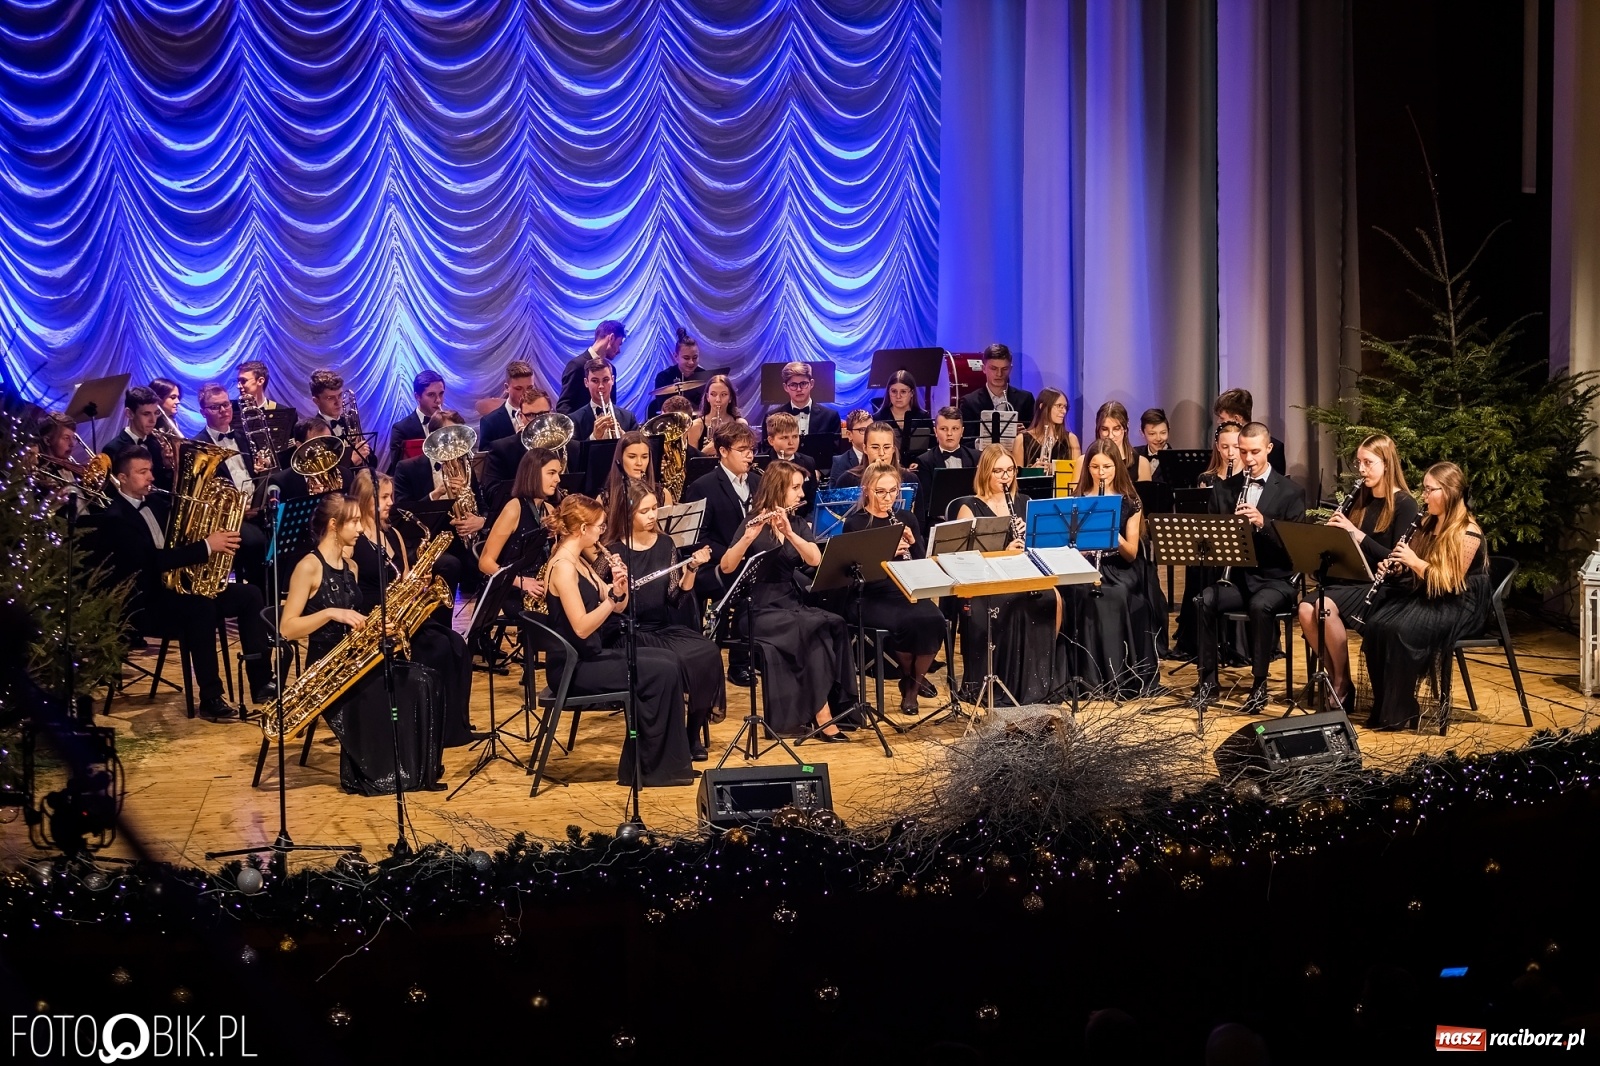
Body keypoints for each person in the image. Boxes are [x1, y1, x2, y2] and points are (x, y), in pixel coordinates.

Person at [82, 446, 275, 718]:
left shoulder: (158, 504)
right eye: (142, 472)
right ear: (122, 478)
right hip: (145, 603)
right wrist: (207, 546)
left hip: (177, 589)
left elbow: (180, 542)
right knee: (201, 608)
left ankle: (262, 682)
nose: (150, 477)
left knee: (251, 594)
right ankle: (211, 697)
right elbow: (151, 563)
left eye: (150, 470)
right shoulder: (116, 518)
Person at [277, 494, 446, 794]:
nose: (359, 528)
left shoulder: (350, 567)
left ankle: (416, 767)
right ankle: (388, 770)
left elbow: (355, 617)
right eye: (353, 521)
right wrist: (330, 612)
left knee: (425, 679)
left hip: (356, 658)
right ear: (333, 524)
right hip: (328, 669)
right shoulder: (308, 567)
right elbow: (287, 628)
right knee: (397, 690)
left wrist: (379, 626)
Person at [541, 494, 695, 786]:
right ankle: (649, 769)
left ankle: (663, 764)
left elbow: (618, 606)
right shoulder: (562, 566)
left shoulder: (582, 561)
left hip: (590, 656)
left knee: (670, 662)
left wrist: (619, 586)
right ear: (581, 529)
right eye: (599, 526)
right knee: (658, 672)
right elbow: (583, 628)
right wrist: (612, 599)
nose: (603, 532)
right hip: (574, 668)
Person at [716, 460, 860, 738]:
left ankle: (835, 707)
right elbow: (726, 567)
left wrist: (790, 533)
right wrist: (748, 539)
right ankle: (822, 716)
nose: (800, 494)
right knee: (809, 629)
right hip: (756, 608)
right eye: (794, 488)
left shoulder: (794, 522)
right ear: (777, 489)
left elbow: (815, 559)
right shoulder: (751, 522)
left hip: (788, 602)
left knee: (834, 622)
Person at [348, 469, 475, 746]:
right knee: (438, 649)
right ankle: (427, 727)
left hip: (403, 615)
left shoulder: (392, 534)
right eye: (384, 497)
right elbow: (350, 591)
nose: (391, 502)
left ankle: (452, 726)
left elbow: (404, 575)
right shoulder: (353, 542)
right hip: (375, 620)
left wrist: (420, 583)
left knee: (456, 644)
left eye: (391, 495)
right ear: (367, 500)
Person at [1358, 462, 1487, 730]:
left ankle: (1403, 709)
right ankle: (1386, 706)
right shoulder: (1428, 522)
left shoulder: (1468, 532)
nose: (1424, 496)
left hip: (1459, 603)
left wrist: (1414, 562)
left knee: (1401, 631)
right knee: (1376, 626)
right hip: (1430, 595)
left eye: (1430, 490)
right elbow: (1413, 564)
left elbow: (1450, 583)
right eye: (1424, 489)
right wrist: (1396, 565)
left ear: (1450, 492)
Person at [1295, 435, 1419, 710]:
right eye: (1359, 462)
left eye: (1368, 463)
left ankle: (1340, 683)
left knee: (1324, 606)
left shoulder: (1405, 504)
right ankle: (1339, 677)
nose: (1361, 470)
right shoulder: (1358, 501)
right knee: (1305, 609)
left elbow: (1395, 557)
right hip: (1352, 579)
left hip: (1386, 587)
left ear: (1387, 464)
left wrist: (1355, 533)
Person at [1190, 422, 1306, 715]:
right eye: (1243, 452)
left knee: (1259, 605)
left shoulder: (1291, 492)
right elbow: (1211, 540)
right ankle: (1208, 682)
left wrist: (1262, 523)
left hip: (1275, 580)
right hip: (1239, 578)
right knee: (1205, 600)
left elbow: (1296, 548)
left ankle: (1259, 685)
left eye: (1255, 452)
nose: (1249, 459)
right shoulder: (1224, 490)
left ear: (1268, 449)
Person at [605, 479, 725, 760]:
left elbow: (674, 597)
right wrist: (618, 586)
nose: (652, 516)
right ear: (627, 513)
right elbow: (601, 599)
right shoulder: (613, 551)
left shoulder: (665, 544)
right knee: (674, 662)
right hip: (628, 632)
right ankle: (663, 738)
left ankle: (692, 732)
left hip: (661, 627)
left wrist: (691, 569)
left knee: (706, 653)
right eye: (644, 511)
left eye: (654, 509)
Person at [952, 445, 1062, 703]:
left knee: (1053, 598)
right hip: (988, 581)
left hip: (1023, 573)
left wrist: (1029, 539)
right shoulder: (970, 507)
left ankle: (1037, 676)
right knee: (1012, 604)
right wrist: (1004, 551)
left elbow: (1042, 545)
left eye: (1010, 470)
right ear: (985, 473)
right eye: (998, 471)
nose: (1005, 476)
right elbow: (964, 560)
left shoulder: (1025, 503)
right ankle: (1004, 679)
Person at [842, 462, 948, 714]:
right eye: (881, 492)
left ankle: (911, 685)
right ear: (867, 490)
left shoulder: (906, 518)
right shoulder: (856, 523)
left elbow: (922, 566)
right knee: (907, 621)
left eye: (893, 491)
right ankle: (912, 681)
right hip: (871, 595)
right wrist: (887, 555)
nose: (888, 498)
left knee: (935, 618)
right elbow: (855, 575)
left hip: (906, 590)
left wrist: (914, 543)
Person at [1062, 440, 1160, 698]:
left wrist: (1111, 532)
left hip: (1117, 568)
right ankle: (1085, 677)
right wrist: (1078, 547)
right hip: (1085, 566)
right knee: (1076, 595)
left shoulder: (1130, 501)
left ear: (1117, 466)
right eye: (1094, 466)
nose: (1101, 472)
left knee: (1115, 595)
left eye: (1107, 466)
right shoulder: (1077, 500)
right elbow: (1066, 547)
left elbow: (1131, 553)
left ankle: (1116, 677)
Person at [682, 424, 762, 684]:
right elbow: (697, 539)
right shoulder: (703, 486)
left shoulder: (757, 481)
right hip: (713, 565)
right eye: (742, 450)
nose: (750, 456)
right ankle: (738, 663)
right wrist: (732, 553)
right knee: (745, 589)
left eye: (751, 449)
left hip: (749, 560)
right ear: (723, 452)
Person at [1171, 421, 1244, 659]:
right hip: (1212, 549)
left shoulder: (1249, 480)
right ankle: (1201, 641)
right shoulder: (1207, 478)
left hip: (1239, 550)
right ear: (1217, 447)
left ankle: (1236, 643)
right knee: (1198, 568)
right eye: (1225, 447)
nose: (1230, 453)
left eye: (1235, 446)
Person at [192, 382, 269, 588]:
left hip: (258, 508)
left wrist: (262, 471)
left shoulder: (245, 436)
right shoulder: (198, 446)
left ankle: (277, 598)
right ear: (203, 412)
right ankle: (259, 600)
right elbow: (202, 494)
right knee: (257, 543)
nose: (224, 410)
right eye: (215, 407)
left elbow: (256, 475)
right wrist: (237, 510)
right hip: (230, 519)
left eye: (226, 404)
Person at [481, 386, 555, 518]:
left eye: (543, 414)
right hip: (519, 518)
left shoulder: (568, 447)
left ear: (552, 413)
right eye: (531, 415)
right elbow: (492, 493)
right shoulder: (502, 449)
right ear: (521, 417)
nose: (537, 421)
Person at [958, 342, 1035, 445]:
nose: (999, 374)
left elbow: (1036, 437)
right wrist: (988, 439)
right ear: (983, 368)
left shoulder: (1026, 399)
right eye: (993, 368)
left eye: (1004, 369)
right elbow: (965, 442)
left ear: (1011, 369)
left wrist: (1024, 435)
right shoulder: (969, 402)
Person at [101, 386, 173, 490]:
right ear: (129, 414)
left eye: (156, 413)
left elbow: (162, 486)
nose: (153, 420)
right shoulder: (113, 449)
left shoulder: (156, 444)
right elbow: (112, 492)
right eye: (146, 414)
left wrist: (167, 467)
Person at [557, 320, 626, 415]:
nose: (619, 351)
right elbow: (564, 406)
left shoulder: (611, 369)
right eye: (619, 344)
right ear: (611, 338)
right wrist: (581, 426)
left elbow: (611, 404)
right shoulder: (576, 365)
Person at [309, 369, 372, 468]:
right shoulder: (313, 432)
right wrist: (351, 461)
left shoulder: (350, 421)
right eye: (330, 398)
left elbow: (373, 462)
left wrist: (366, 453)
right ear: (316, 401)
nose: (338, 402)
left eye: (340, 395)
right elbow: (323, 471)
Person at [1214, 388, 1286, 475]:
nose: (1218, 422)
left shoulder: (1275, 448)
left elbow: (1277, 484)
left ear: (1236, 418)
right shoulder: (1220, 444)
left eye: (1222, 418)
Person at [386, 370, 446, 471]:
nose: (438, 400)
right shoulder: (401, 429)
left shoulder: (449, 423)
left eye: (441, 394)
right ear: (417, 396)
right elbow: (399, 470)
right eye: (431, 395)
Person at [568, 358, 638, 441]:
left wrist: (624, 438)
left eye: (605, 380)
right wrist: (594, 437)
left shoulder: (629, 418)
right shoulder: (574, 420)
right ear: (586, 382)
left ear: (612, 380)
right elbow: (574, 453)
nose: (601, 386)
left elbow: (638, 449)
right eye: (595, 381)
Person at [648, 327, 711, 416]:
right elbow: (663, 408)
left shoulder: (704, 375)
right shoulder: (663, 377)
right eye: (686, 358)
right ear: (676, 356)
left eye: (695, 357)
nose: (691, 362)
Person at [1012, 387, 1080, 469]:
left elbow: (1078, 473)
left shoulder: (1071, 439)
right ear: (1042, 406)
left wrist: (1055, 468)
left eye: (1065, 407)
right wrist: (1032, 472)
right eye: (1059, 406)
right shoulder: (1021, 440)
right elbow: (1017, 477)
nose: (1064, 411)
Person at [602, 429, 672, 507]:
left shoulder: (663, 495)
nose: (639, 463)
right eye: (632, 457)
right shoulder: (605, 499)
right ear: (620, 459)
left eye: (644, 457)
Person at [774, 360, 841, 438]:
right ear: (785, 387)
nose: (799, 389)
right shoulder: (772, 417)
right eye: (793, 385)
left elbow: (835, 449)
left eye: (803, 384)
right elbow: (767, 449)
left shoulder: (830, 417)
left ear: (811, 384)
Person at [477, 360, 536, 447]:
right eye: (518, 388)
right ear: (506, 388)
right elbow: (487, 459)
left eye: (530, 387)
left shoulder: (539, 415)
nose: (525, 393)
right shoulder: (489, 422)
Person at [685, 374, 747, 456]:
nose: (718, 400)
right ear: (707, 397)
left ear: (730, 398)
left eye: (723, 394)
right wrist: (705, 452)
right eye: (713, 394)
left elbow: (744, 456)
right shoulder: (696, 425)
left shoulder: (740, 424)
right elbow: (691, 463)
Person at [871, 369, 928, 456]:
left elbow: (931, 449)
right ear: (888, 392)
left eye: (903, 392)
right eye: (894, 391)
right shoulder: (878, 418)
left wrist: (919, 463)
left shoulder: (923, 417)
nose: (898, 396)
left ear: (912, 393)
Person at [832, 420, 902, 489]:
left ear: (893, 449)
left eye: (886, 447)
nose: (881, 453)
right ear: (865, 449)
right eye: (875, 447)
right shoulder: (848, 480)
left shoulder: (909, 478)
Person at [1094, 401, 1153, 483]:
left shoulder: (1141, 464)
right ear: (1098, 428)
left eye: (1116, 429)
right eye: (1104, 429)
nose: (1110, 436)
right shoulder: (1083, 462)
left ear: (1126, 427)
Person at [828, 409, 871, 482]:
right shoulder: (840, 462)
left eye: (871, 429)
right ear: (849, 435)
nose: (869, 434)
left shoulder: (884, 457)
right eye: (862, 430)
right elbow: (835, 492)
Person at [1133, 408, 1170, 483]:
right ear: (1142, 433)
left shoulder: (1177, 459)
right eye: (1152, 434)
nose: (1158, 438)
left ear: (1168, 430)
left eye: (1163, 433)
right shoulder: (1134, 455)